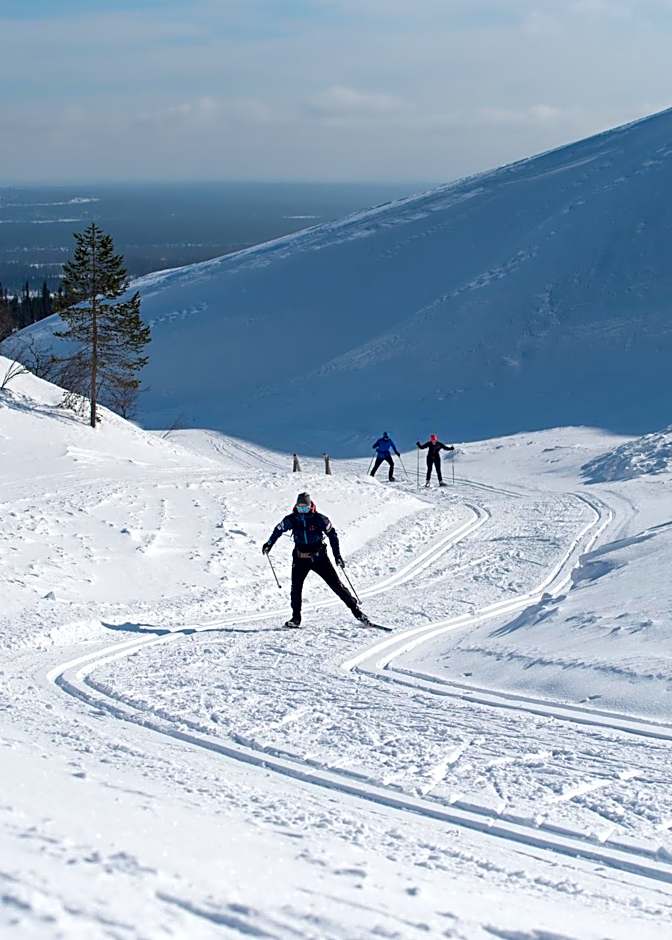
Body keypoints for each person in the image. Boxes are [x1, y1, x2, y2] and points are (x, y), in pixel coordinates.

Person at [262, 492, 370, 628]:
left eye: (305, 507)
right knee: (296, 588)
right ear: (296, 506)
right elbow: (278, 530)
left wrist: (337, 555)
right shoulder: (292, 519)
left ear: (310, 506)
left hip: (319, 558)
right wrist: (269, 544)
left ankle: (357, 612)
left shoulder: (320, 518)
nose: (302, 510)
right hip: (300, 558)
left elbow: (332, 535)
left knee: (336, 585)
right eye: (300, 507)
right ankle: (296, 618)